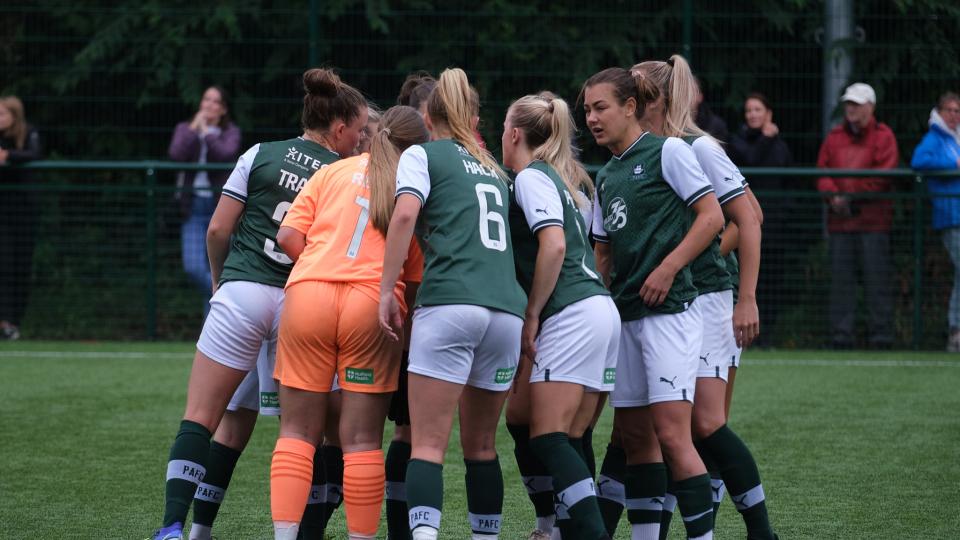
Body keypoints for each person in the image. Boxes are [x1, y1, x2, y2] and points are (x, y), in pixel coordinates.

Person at [147, 68, 366, 540]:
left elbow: (217, 229)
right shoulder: (342, 173)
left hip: (242, 293)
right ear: (339, 128)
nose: (361, 139)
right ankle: (302, 532)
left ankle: (175, 528)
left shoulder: (260, 152)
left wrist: (218, 280)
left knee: (205, 418)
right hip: (301, 303)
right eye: (360, 129)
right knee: (306, 434)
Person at [378, 67, 527, 540]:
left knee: (426, 445)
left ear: (428, 117)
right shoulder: (492, 167)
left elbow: (405, 215)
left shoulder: (422, 154)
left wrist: (386, 289)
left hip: (450, 303)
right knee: (482, 447)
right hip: (506, 311)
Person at [632, 57, 775, 540]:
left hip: (711, 297)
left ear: (649, 100)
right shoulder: (652, 150)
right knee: (676, 428)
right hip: (682, 300)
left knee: (706, 423)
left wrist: (745, 296)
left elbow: (749, 217)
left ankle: (762, 532)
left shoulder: (697, 146)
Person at [268, 105, 426, 540]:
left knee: (296, 433)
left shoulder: (330, 171)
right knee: (361, 441)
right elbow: (413, 276)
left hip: (309, 294)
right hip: (370, 303)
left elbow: (287, 236)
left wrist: (321, 266)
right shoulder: (411, 187)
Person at [583, 66, 724, 540]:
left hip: (670, 314)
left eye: (601, 107)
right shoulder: (606, 175)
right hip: (625, 317)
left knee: (672, 436)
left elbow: (711, 217)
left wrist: (668, 267)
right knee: (636, 439)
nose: (592, 118)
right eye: (587, 110)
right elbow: (603, 255)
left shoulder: (669, 151)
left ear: (629, 107)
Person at [502, 93, 619, 540]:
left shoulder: (532, 177)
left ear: (514, 134)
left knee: (549, 437)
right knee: (565, 435)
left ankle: (589, 533)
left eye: (504, 128)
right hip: (597, 309)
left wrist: (532, 313)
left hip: (571, 313)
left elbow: (553, 245)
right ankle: (558, 529)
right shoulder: (562, 178)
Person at [816, 82, 899, 349]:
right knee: (841, 283)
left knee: (877, 281)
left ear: (870, 107)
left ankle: (881, 337)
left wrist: (849, 197)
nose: (850, 108)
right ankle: (841, 338)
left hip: (874, 222)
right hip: (841, 222)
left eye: (856, 104)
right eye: (848, 103)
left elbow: (882, 177)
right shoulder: (834, 137)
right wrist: (834, 197)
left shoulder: (884, 136)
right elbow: (822, 172)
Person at [168, 85, 242, 314]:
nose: (209, 105)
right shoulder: (185, 129)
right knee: (193, 268)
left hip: (220, 208)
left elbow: (224, 154)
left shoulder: (230, 133)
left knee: (219, 269)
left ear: (223, 109)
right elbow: (176, 154)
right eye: (206, 99)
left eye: (215, 101)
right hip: (192, 208)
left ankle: (210, 329)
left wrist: (208, 134)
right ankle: (222, 297)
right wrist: (194, 130)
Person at [728, 93, 793, 345]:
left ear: (769, 113)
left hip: (774, 225)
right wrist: (766, 138)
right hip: (742, 226)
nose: (752, 115)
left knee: (771, 281)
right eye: (749, 110)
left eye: (757, 109)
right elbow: (751, 158)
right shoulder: (737, 142)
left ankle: (766, 335)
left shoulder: (780, 146)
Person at [911, 92, 960, 351]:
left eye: (957, 111)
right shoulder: (935, 138)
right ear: (939, 112)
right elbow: (919, 160)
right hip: (951, 215)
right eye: (949, 110)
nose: (954, 115)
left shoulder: (956, 137)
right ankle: (956, 330)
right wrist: (953, 163)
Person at [0, 95, 43, 340]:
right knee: (4, 264)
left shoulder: (29, 133)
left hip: (24, 209)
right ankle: (4, 320)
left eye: (2, 114)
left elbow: (34, 154)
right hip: (2, 210)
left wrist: (8, 156)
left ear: (14, 116)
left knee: (21, 267)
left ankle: (13, 322)